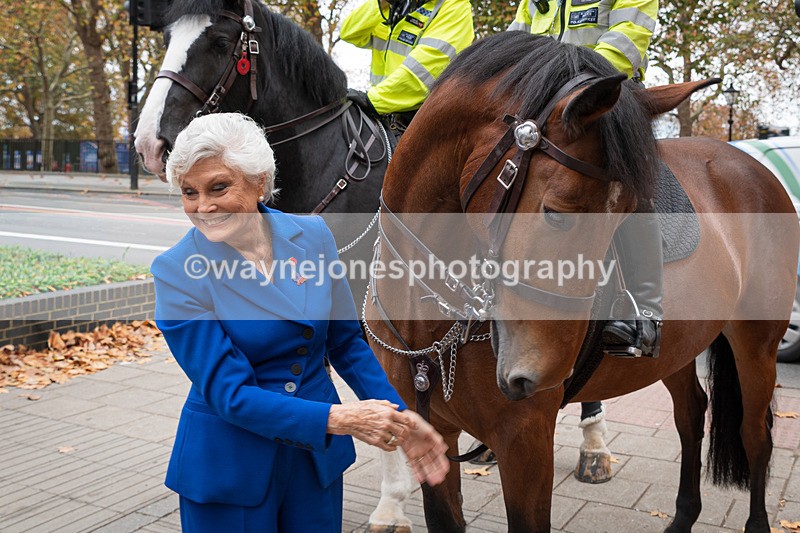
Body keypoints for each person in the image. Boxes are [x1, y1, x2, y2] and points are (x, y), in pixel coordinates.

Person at [151, 112, 449, 532]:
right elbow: (230, 394)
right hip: (232, 462)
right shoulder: (177, 271)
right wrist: (341, 419)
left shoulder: (313, 236)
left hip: (313, 463)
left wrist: (399, 418)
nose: (203, 206)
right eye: (189, 192)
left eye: (218, 187)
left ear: (259, 182)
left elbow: (345, 342)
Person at [510, 0, 663, 358]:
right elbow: (515, 44)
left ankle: (646, 312)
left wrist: (567, 86)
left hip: (607, 98)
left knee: (632, 187)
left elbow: (627, 40)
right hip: (543, 104)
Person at [340, 0, 475, 134]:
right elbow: (349, 33)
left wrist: (371, 101)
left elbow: (424, 71)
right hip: (384, 112)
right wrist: (381, 3)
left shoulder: (454, 6)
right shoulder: (399, 5)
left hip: (424, 120)